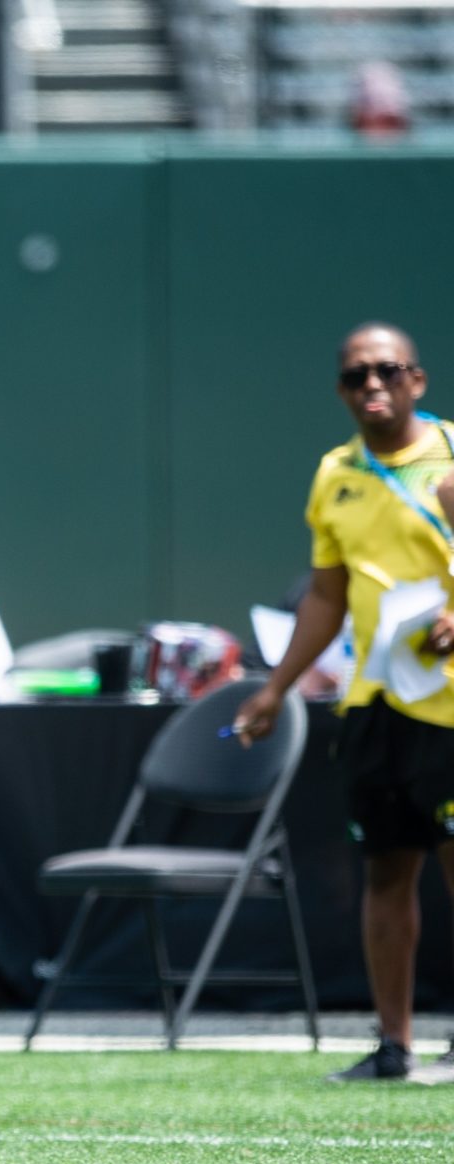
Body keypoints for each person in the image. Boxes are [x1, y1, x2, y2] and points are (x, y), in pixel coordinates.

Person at [236, 322, 454, 1084]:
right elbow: (327, 596)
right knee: (386, 873)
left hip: (450, 707)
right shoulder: (336, 473)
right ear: (340, 390)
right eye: (357, 375)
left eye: (388, 371)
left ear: (417, 380)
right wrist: (275, 688)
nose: (373, 386)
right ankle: (394, 1045)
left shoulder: (452, 459)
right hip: (376, 702)